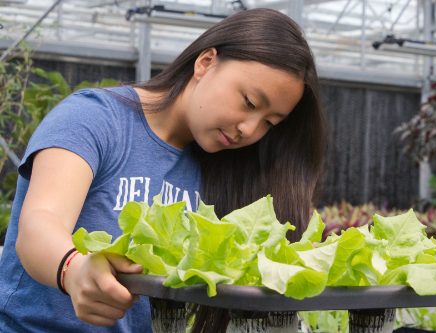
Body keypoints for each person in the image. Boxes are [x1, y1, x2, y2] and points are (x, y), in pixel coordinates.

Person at [0, 8, 326, 332]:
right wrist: (73, 270)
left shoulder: (229, 174)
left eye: (269, 123)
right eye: (250, 102)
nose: (249, 129)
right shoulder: (95, 119)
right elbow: (41, 222)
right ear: (206, 63)